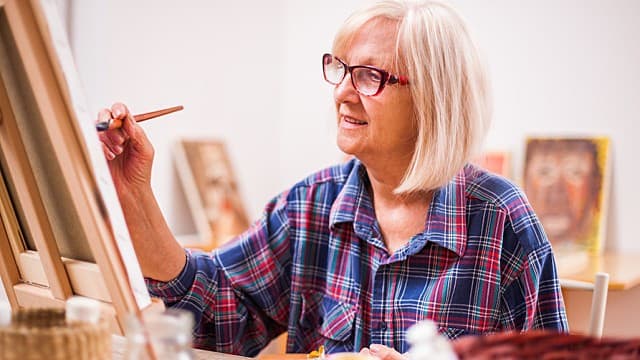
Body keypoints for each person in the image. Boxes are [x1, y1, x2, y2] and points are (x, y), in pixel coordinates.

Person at [98, 0, 568, 358]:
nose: (342, 92)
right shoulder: (312, 205)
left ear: (433, 98)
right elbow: (219, 308)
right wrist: (135, 193)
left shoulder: (502, 221)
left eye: (369, 76)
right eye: (340, 68)